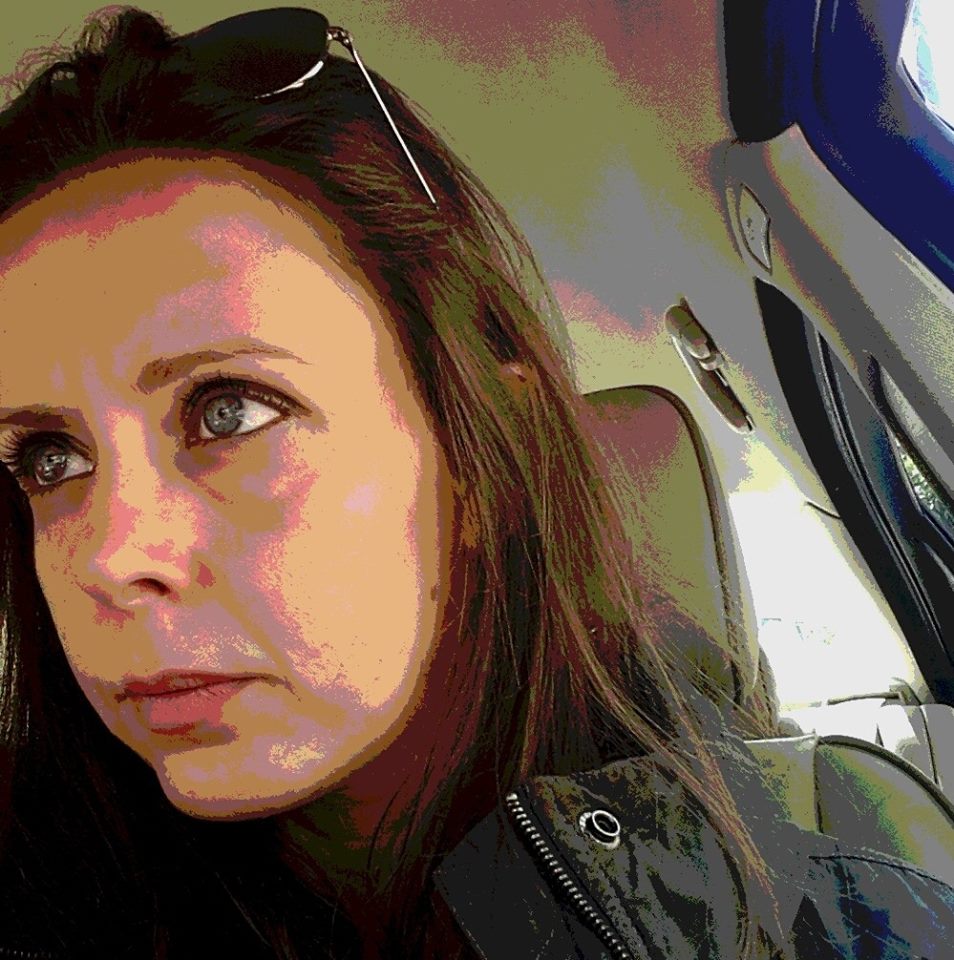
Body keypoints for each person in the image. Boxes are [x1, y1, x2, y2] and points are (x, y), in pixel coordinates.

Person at [0, 7, 951, 959]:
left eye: (229, 411)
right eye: (50, 458)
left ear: (484, 457)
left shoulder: (843, 912)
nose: (110, 557)